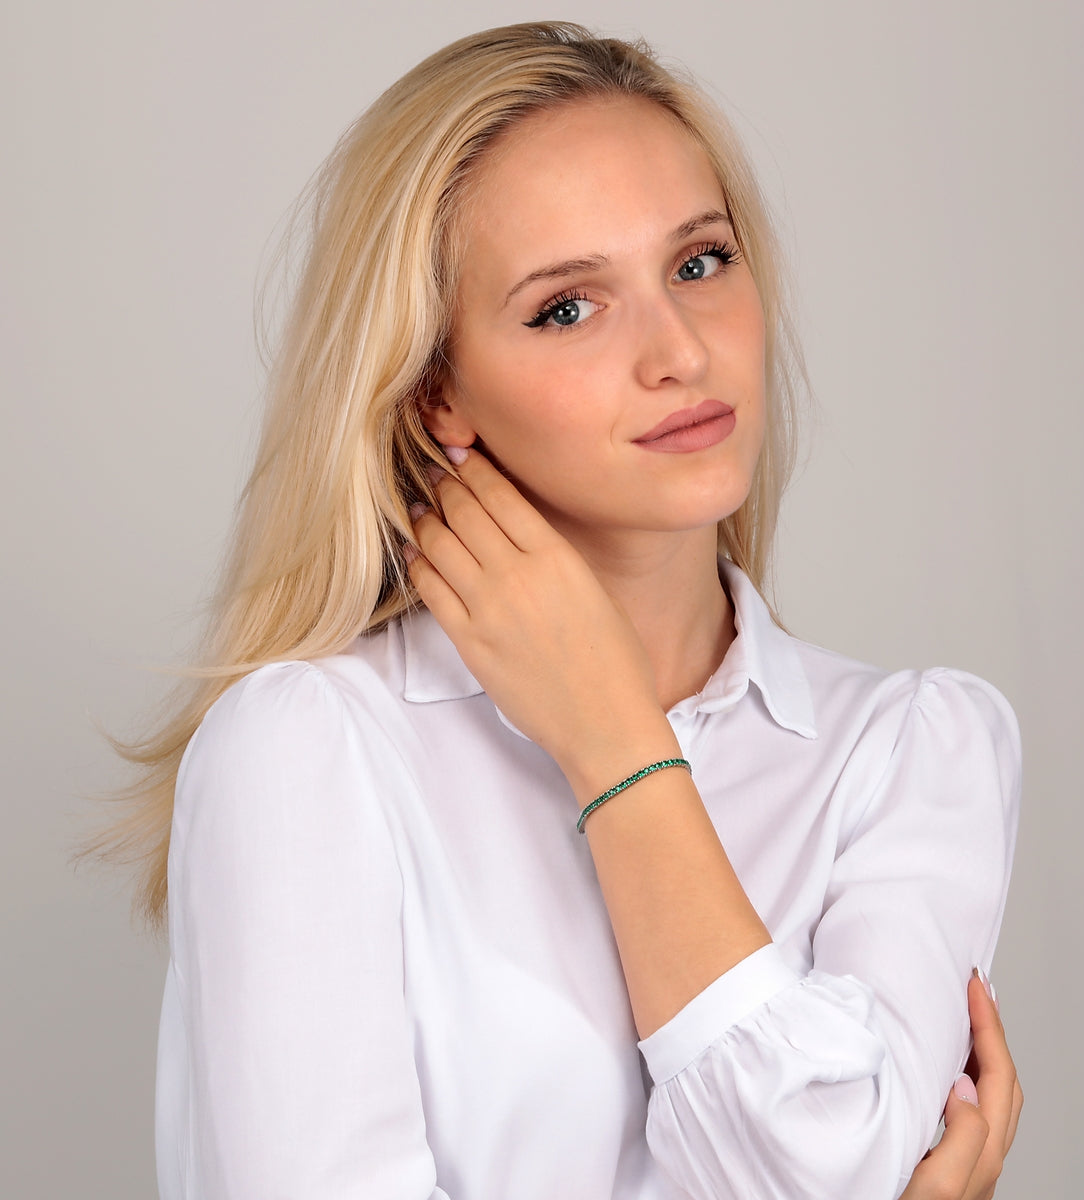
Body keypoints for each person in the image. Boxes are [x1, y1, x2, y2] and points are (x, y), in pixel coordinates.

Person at [108, 21, 1021, 1199]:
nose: (680, 351)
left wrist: (616, 748)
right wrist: (618, 746)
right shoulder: (310, 749)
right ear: (437, 395)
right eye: (567, 309)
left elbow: (826, 1175)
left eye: (700, 263)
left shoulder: (915, 752)